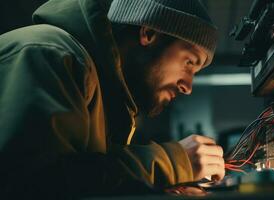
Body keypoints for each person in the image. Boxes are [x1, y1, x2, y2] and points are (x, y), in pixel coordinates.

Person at [0, 0, 225, 198]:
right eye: (189, 62)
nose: (188, 87)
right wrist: (172, 162)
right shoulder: (49, 54)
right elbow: (32, 185)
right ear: (149, 33)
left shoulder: (113, 100)